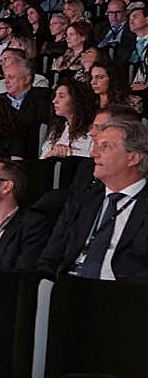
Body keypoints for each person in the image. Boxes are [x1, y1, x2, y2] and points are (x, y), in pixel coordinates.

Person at [38, 115, 148, 280]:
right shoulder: (82, 201)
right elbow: (50, 258)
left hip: (124, 296)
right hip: (68, 290)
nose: (93, 153)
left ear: (132, 157)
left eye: (105, 147)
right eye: (96, 145)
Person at [41, 79, 97, 159]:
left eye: (61, 96)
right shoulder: (56, 130)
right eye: (55, 96)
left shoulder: (94, 130)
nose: (54, 101)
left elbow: (97, 157)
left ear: (75, 100)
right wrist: (52, 153)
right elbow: (42, 159)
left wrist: (68, 151)